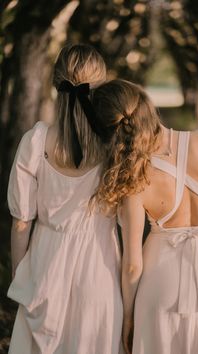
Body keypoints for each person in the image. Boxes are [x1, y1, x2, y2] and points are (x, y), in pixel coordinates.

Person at [91, 79, 198, 354]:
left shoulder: (134, 177)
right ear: (147, 104)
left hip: (159, 290)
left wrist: (129, 319)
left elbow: (133, 265)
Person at [7, 44, 123, 354]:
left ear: (57, 83)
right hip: (99, 268)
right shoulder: (114, 145)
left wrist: (23, 277)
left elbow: (21, 222)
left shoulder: (36, 141)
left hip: (45, 264)